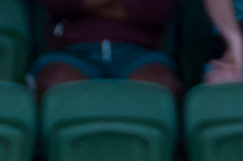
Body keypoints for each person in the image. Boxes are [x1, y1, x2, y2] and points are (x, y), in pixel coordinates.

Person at [35, 0, 183, 98]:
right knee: (57, 87)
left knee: (158, 90)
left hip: (141, 54)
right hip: (71, 53)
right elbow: (57, 4)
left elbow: (156, 9)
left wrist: (83, 7)